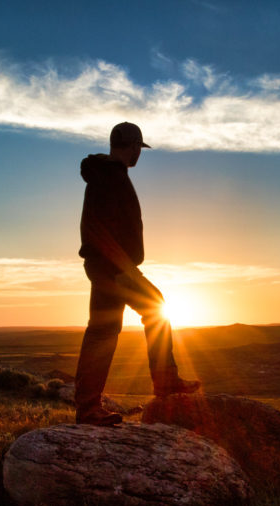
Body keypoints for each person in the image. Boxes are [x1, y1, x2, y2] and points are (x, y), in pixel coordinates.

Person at [74, 122, 201, 426]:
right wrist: (123, 266)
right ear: (132, 145)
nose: (138, 155)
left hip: (106, 265)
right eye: (138, 148)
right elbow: (98, 229)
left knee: (102, 331)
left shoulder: (105, 175)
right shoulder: (109, 177)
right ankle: (165, 382)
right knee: (155, 306)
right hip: (113, 267)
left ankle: (88, 407)